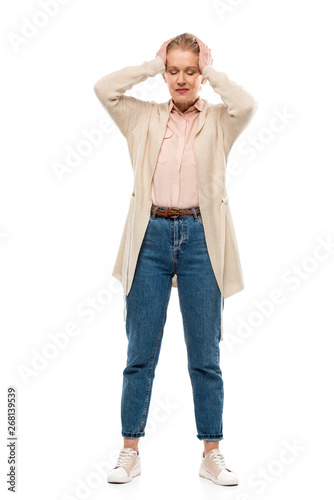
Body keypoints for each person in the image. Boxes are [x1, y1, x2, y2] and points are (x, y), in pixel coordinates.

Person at [93, 33, 257, 486]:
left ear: (200, 73)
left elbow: (247, 104)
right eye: (174, 70)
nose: (181, 79)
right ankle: (130, 450)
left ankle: (212, 452)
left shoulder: (221, 120)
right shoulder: (142, 117)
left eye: (190, 70)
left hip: (203, 238)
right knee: (140, 351)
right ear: (165, 73)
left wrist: (213, 70)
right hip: (150, 237)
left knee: (205, 354)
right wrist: (151, 62)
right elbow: (104, 88)